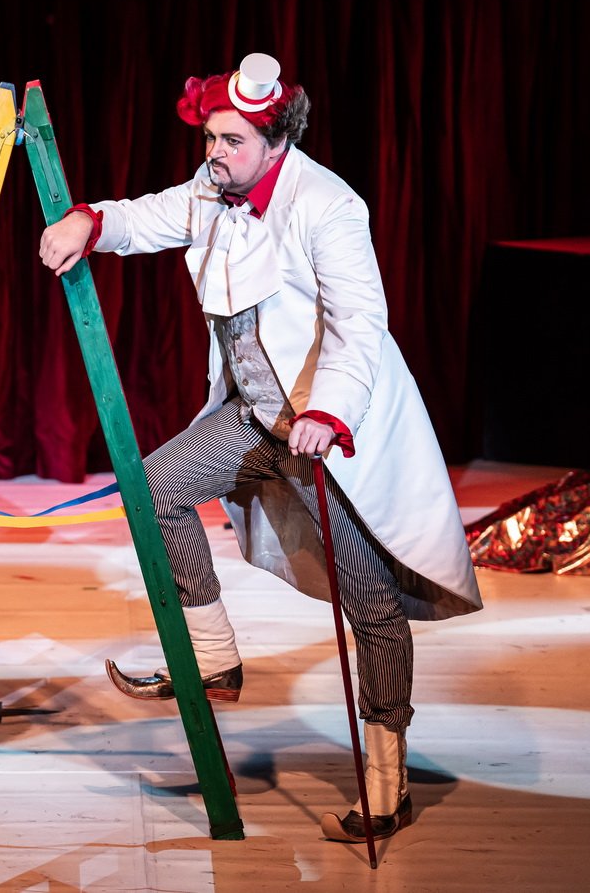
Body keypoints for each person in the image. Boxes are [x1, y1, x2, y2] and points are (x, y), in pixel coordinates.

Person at [38, 53, 483, 842]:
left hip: (324, 433)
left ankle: (388, 782)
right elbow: (150, 217)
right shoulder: (215, 187)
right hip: (253, 419)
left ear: (277, 141)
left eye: (232, 141)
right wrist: (91, 222)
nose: (215, 152)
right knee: (153, 489)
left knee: (372, 608)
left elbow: (359, 323)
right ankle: (214, 657)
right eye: (210, 138)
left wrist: (330, 413)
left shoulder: (328, 205)